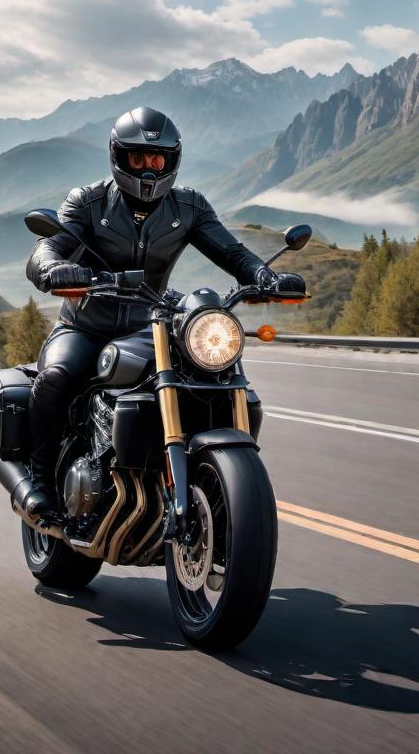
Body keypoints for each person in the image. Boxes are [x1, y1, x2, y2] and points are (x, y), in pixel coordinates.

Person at [24, 106, 304, 518]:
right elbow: (45, 249)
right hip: (86, 326)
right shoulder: (87, 202)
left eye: (158, 159)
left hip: (149, 326)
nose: (149, 169)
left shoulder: (188, 207)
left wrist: (264, 275)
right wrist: (53, 268)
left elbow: (232, 252)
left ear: (172, 160)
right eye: (139, 158)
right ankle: (40, 479)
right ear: (120, 157)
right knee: (57, 376)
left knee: (208, 376)